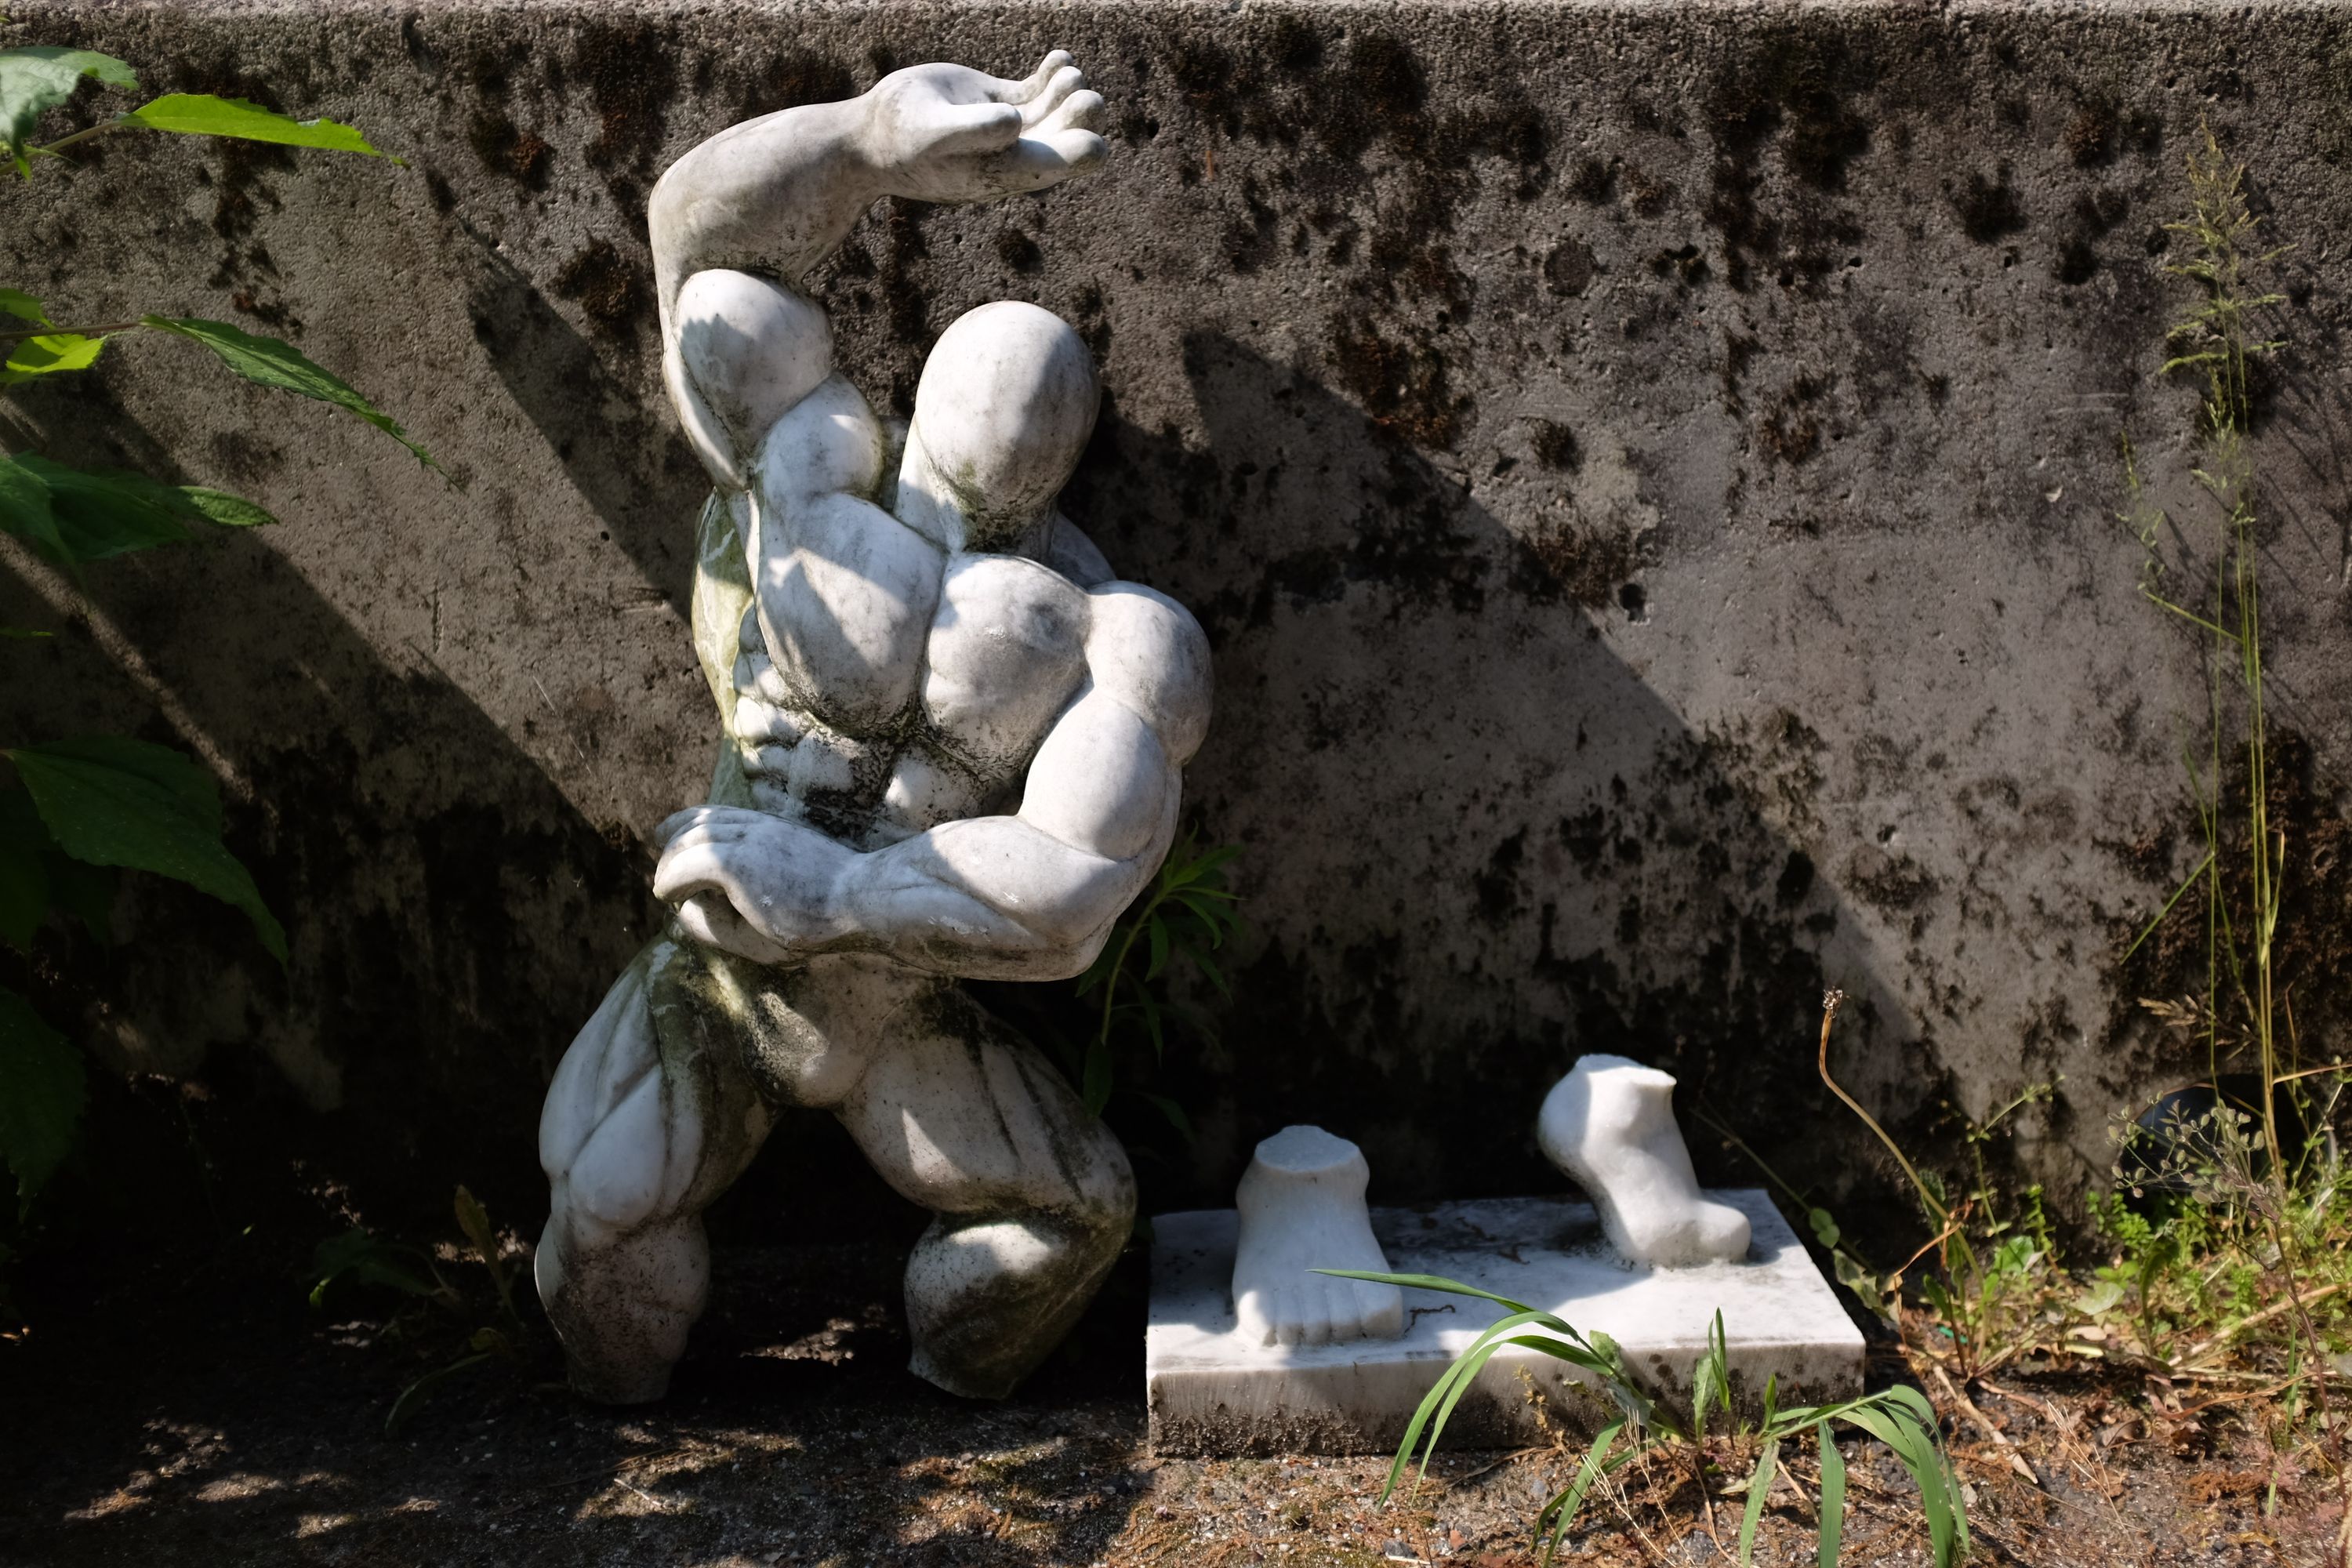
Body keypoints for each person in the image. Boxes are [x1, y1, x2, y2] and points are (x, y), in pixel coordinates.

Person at [534, 52, 1213, 1403]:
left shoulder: (1114, 639)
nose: (999, 428)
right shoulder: (799, 472)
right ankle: (618, 1432)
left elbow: (1072, 897)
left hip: (898, 1003)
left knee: (1074, 1220)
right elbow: (698, 250)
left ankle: (942, 1389)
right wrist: (867, 139)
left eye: (1034, 409)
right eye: (979, 394)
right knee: (598, 1233)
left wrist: (836, 896)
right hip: (718, 974)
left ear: (1071, 448)